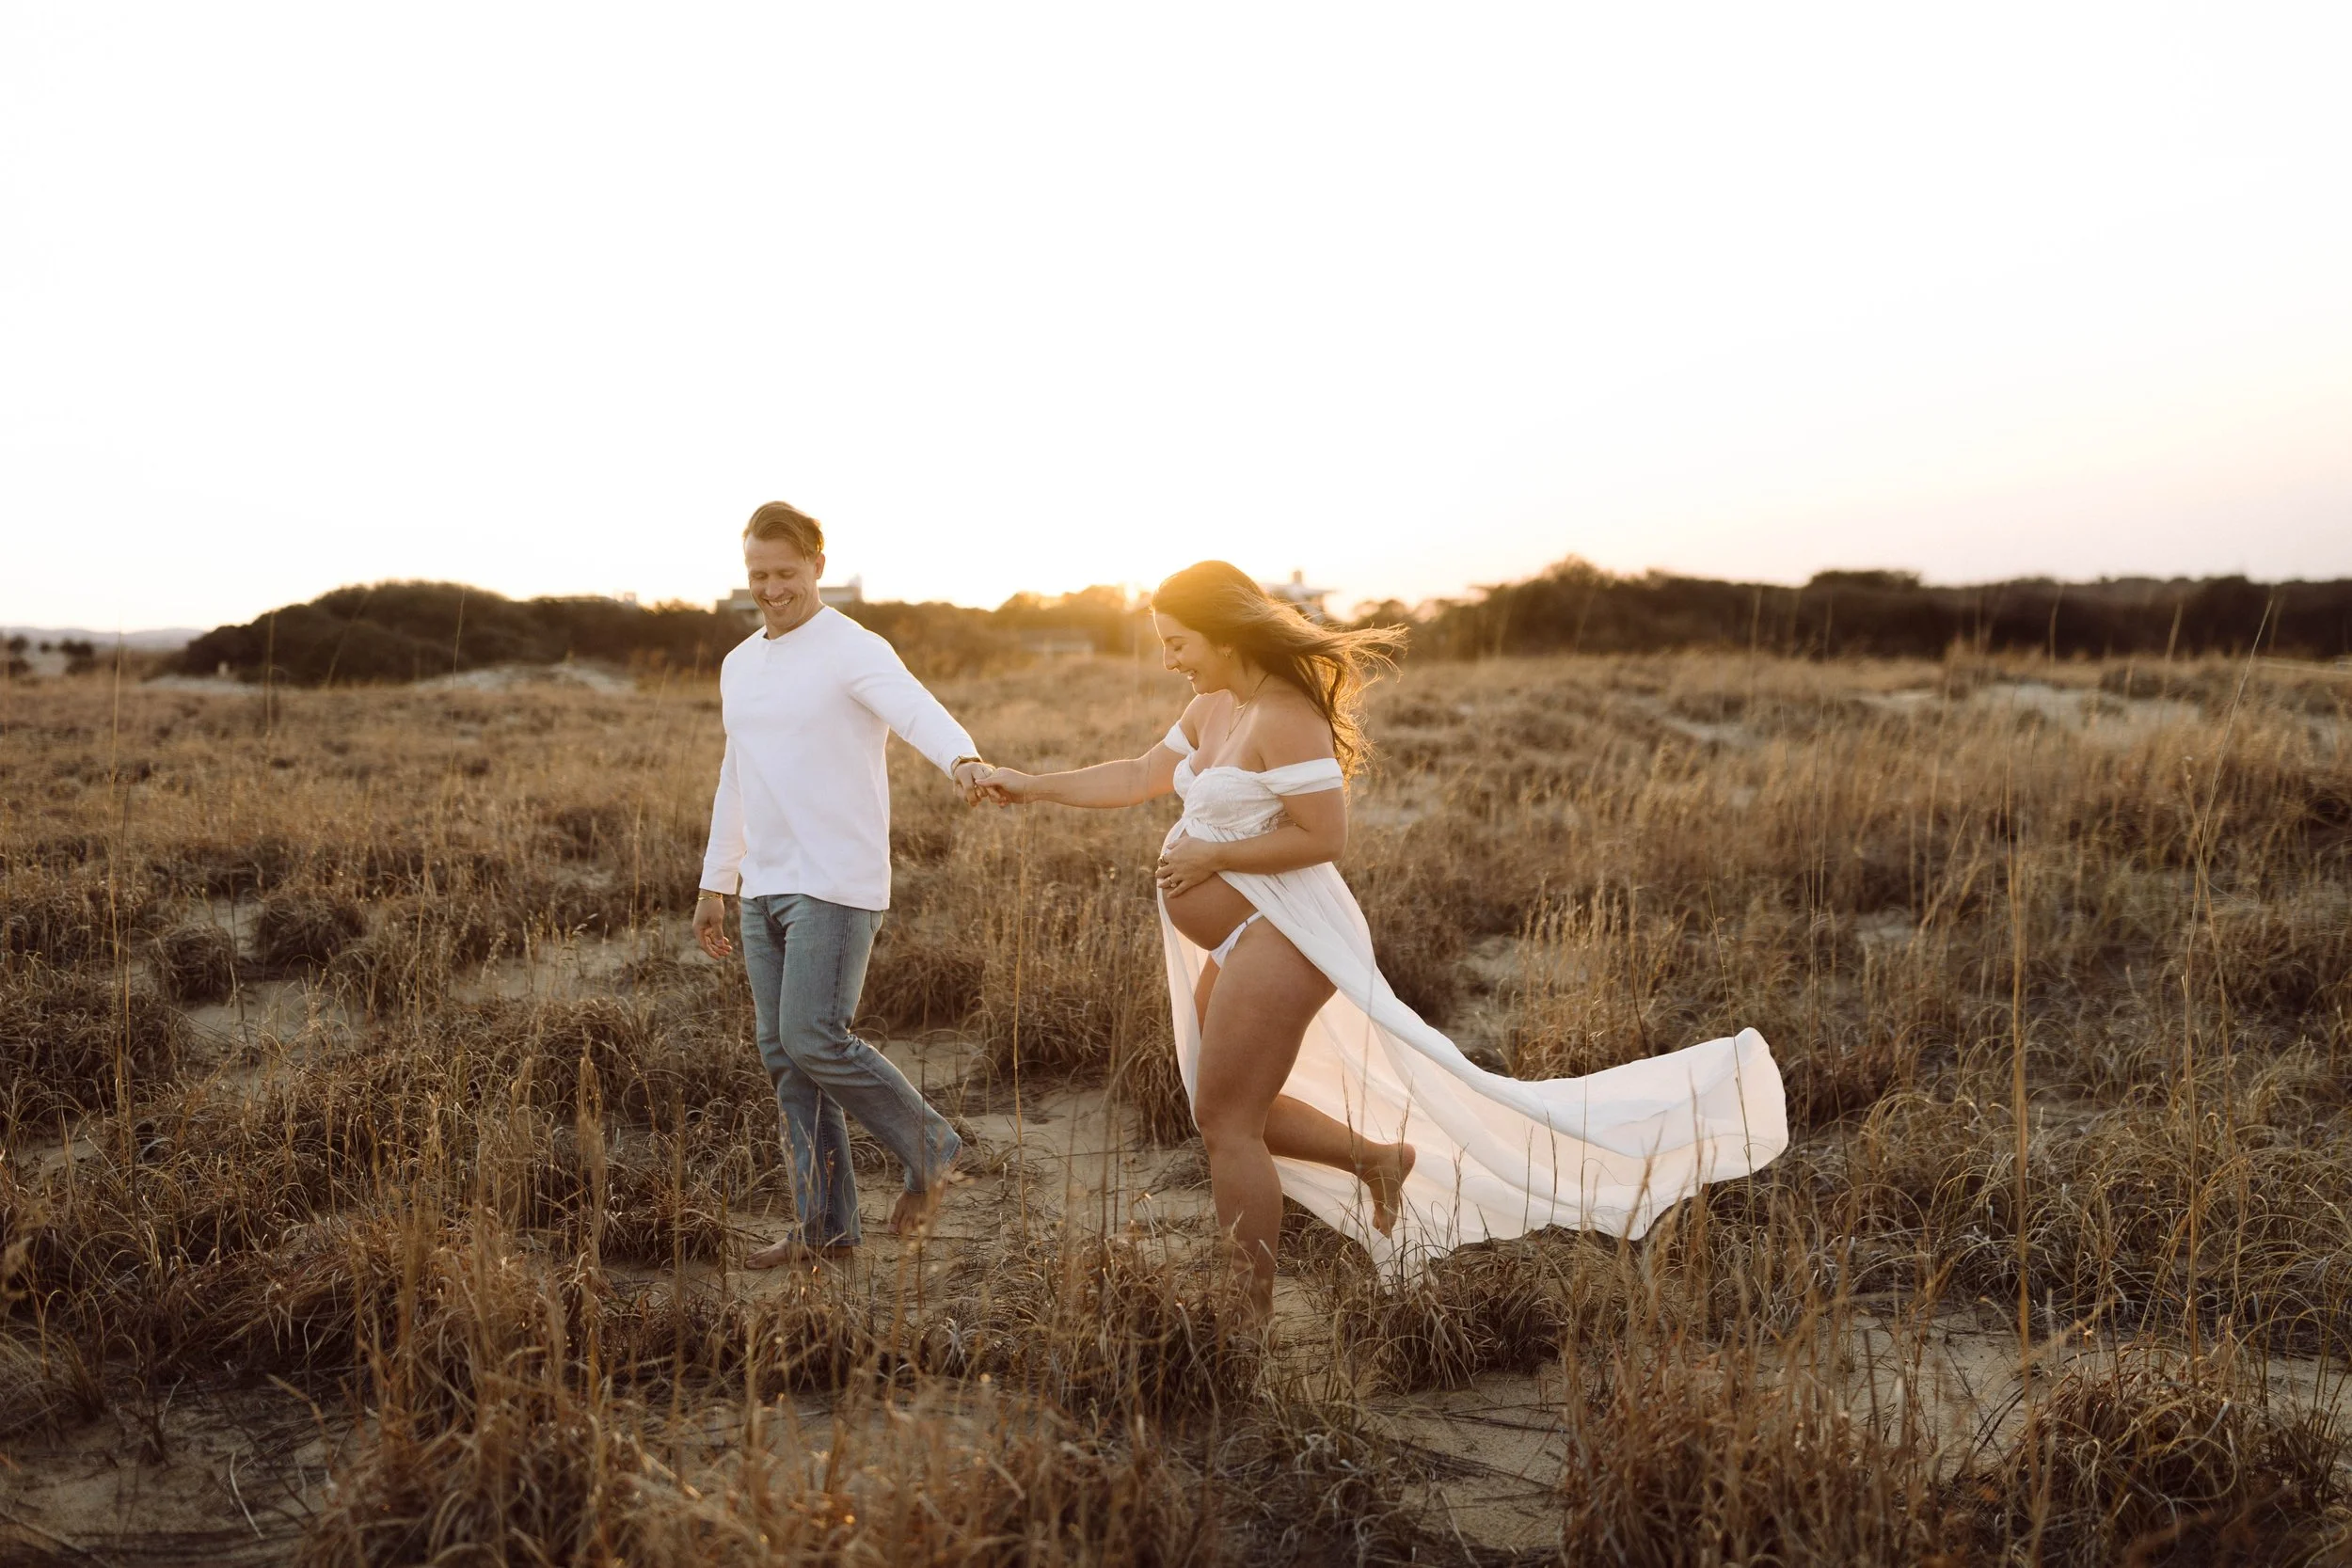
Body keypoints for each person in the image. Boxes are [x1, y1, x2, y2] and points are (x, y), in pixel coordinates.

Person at [976, 561, 1787, 1318]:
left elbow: (1324, 834)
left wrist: (1214, 851)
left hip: (1284, 933)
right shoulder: (1212, 706)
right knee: (1221, 1108)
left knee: (1227, 1123)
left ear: (1223, 635)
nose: (1169, 660)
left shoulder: (1286, 714)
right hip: (1242, 937)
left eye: (1177, 643)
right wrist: (1031, 786)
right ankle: (1375, 1159)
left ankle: (1242, 1319)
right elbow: (1139, 774)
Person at [695, 500, 993, 1268]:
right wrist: (714, 879)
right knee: (786, 1060)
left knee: (813, 1036)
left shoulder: (852, 647)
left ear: (818, 565)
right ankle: (822, 1226)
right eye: (757, 575)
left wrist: (961, 757)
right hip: (762, 884)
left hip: (835, 878)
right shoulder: (738, 663)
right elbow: (737, 773)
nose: (771, 588)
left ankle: (934, 1148)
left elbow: (915, 708)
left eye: (785, 573)